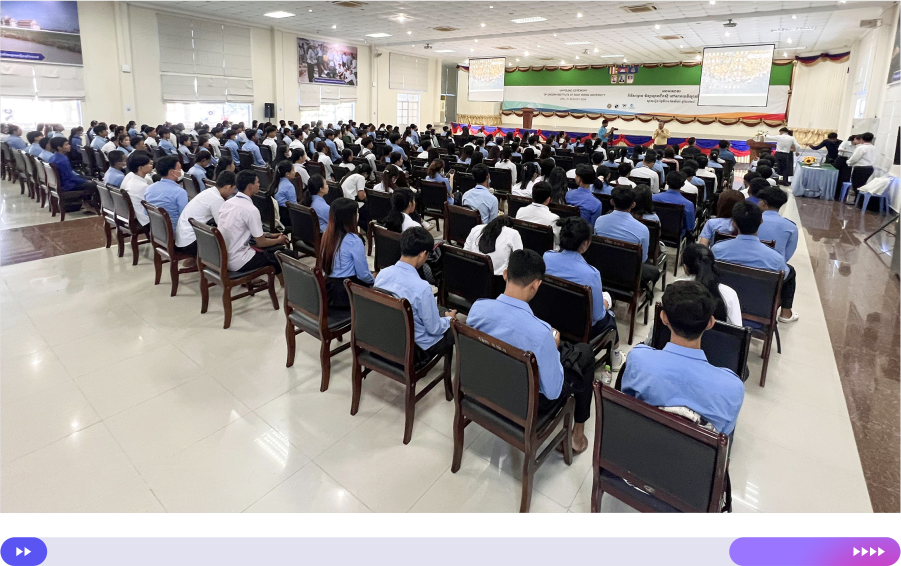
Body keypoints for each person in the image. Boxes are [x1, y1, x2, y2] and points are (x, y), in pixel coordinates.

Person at [467, 249, 598, 454]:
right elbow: (553, 391)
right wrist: (552, 348)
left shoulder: (477, 309)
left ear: (505, 274)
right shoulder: (541, 333)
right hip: (525, 403)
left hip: (484, 385)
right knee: (585, 353)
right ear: (536, 284)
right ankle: (577, 436)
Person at [621, 280, 744, 435]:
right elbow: (724, 434)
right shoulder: (732, 388)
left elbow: (627, 405)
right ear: (710, 323)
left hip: (638, 442)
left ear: (664, 318)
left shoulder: (637, 360)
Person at [543, 218, 624, 368]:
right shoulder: (592, 274)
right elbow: (597, 316)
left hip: (550, 318)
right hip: (579, 328)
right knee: (609, 317)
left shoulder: (546, 257)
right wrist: (605, 303)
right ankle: (616, 358)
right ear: (585, 244)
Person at [374, 227, 457, 363]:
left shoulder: (383, 274)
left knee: (436, 312)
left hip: (387, 337)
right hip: (415, 348)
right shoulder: (422, 288)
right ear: (423, 254)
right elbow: (434, 329)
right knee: (455, 328)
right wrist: (449, 320)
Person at [711, 201, 797, 323]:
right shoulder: (776, 259)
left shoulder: (717, 250)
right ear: (761, 222)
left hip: (721, 311)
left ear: (734, 223)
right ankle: (786, 313)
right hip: (759, 315)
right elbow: (784, 278)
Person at [216, 170, 288, 282]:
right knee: (277, 257)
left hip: (223, 257)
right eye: (257, 182)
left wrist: (270, 235)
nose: (259, 185)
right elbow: (261, 242)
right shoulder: (250, 210)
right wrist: (279, 240)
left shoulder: (227, 203)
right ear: (250, 186)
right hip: (239, 260)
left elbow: (242, 231)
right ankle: (285, 286)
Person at [593, 186, 660, 292]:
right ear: (633, 204)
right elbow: (642, 259)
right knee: (655, 272)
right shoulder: (642, 229)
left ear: (612, 202)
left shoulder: (599, 221)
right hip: (628, 276)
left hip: (602, 269)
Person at [319, 197, 374, 308]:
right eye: (356, 213)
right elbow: (363, 275)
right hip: (347, 293)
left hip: (328, 290)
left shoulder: (327, 235)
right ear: (350, 218)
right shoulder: (354, 240)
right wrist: (374, 280)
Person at [175, 170, 235, 258]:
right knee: (230, 245)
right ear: (228, 187)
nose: (233, 193)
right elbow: (223, 226)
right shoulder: (217, 199)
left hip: (183, 238)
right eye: (234, 189)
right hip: (190, 242)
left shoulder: (209, 191)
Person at [48, 137, 98, 213]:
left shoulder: (52, 157)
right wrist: (85, 181)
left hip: (60, 182)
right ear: (59, 147)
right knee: (94, 184)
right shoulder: (63, 159)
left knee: (91, 178)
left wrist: (85, 178)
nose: (69, 146)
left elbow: (70, 174)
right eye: (66, 144)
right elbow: (71, 178)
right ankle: (91, 205)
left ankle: (87, 203)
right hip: (68, 185)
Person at [144, 156, 188, 231]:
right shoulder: (180, 192)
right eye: (179, 169)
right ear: (172, 172)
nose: (181, 171)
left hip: (156, 230)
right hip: (175, 231)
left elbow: (146, 212)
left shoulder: (149, 189)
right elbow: (185, 217)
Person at [756, 187, 798, 262]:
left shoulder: (751, 219)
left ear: (763, 203)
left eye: (759, 200)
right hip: (775, 266)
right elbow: (787, 255)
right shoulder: (791, 227)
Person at [515, 181, 561, 249]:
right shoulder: (554, 219)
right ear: (548, 200)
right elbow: (558, 241)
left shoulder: (520, 211)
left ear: (532, 196)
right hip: (544, 253)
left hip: (523, 250)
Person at [653, 171, 695, 236]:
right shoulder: (688, 204)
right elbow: (690, 227)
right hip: (677, 237)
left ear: (667, 183)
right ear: (683, 185)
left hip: (655, 233)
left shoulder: (653, 197)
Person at [122, 151, 154, 226]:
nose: (151, 166)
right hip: (146, 220)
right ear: (140, 168)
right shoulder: (142, 186)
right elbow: (153, 205)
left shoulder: (132, 179)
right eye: (148, 164)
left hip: (139, 216)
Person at [846, 132, 877, 201]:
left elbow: (854, 158)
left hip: (860, 168)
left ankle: (858, 201)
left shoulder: (861, 148)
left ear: (862, 139)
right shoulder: (874, 147)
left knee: (856, 185)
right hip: (870, 168)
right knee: (863, 185)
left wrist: (848, 162)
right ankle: (859, 201)